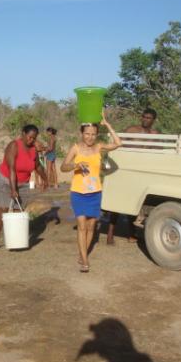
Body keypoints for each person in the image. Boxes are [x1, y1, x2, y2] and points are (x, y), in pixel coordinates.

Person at [61, 111, 121, 272]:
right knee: (81, 225)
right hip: (78, 193)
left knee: (91, 226)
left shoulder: (99, 147)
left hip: (95, 193)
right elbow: (63, 166)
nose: (90, 137)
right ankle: (85, 259)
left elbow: (118, 143)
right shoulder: (75, 148)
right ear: (82, 133)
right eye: (87, 133)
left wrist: (107, 124)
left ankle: (82, 253)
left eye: (93, 134)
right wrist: (76, 165)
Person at [0, 124, 48, 250]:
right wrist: (13, 189)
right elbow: (12, 170)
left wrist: (45, 179)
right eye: (29, 137)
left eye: (34, 138)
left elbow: (37, 166)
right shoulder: (13, 146)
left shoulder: (33, 150)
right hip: (5, 180)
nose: (31, 140)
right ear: (23, 133)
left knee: (17, 211)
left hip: (24, 183)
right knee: (3, 209)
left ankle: (15, 240)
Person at [107, 108, 159, 245]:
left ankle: (131, 234)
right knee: (117, 203)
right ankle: (110, 234)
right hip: (126, 169)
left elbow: (159, 153)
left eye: (149, 118)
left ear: (154, 120)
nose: (145, 120)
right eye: (144, 117)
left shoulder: (156, 134)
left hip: (142, 172)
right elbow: (117, 143)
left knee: (134, 204)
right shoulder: (132, 130)